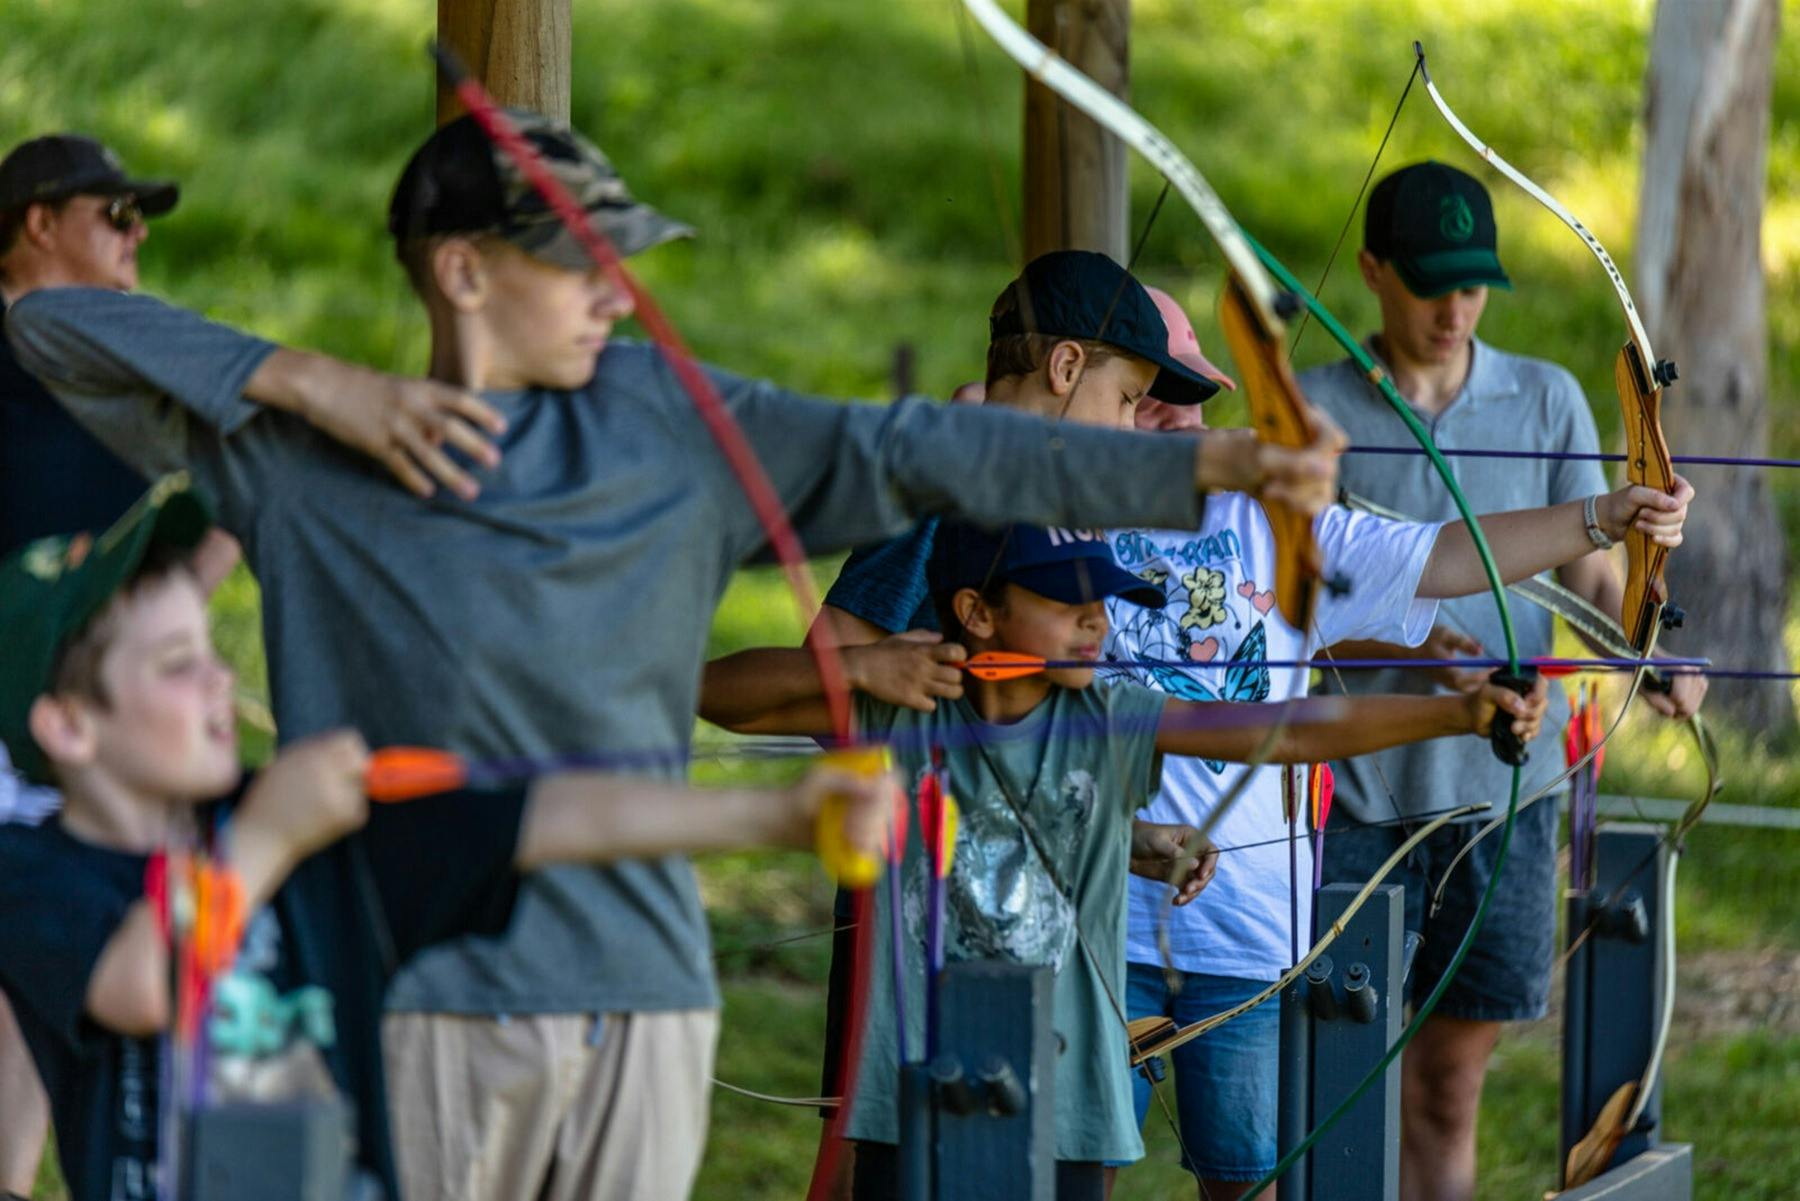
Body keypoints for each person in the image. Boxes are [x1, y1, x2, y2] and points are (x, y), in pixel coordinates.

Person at [3, 110, 1341, 1199]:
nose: (616, 291)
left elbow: (911, 449)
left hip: (646, 993)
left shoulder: (662, 419)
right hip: (420, 1001)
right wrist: (307, 380)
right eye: (581, 260)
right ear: (462, 271)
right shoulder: (301, 463)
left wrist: (1216, 463)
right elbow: (41, 323)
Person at [747, 259, 1691, 1201]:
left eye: (1189, 400)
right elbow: (824, 663)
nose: (1170, 421)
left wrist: (1604, 519)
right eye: (1144, 397)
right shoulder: (1031, 511)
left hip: (1236, 933)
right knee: (1019, 1169)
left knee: (1239, 1177)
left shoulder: (1262, 523)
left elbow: (1362, 642)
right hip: (1062, 934)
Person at [0, 475, 902, 1201]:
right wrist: (270, 832)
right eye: (175, 665)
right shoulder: (37, 873)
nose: (216, 679)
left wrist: (779, 815)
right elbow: (140, 988)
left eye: (208, 648)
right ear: (69, 728)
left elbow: (543, 817)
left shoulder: (295, 824)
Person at [700, 519, 1548, 1201]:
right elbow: (714, 691)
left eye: (1103, 600)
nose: (1097, 621)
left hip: (1066, 1103)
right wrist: (864, 665)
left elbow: (1283, 729)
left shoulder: (1107, 714)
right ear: (977, 611)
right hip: (919, 1089)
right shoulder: (909, 710)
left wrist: (1461, 713)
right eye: (1067, 601)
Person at [1300, 160, 1707, 1201]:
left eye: (1474, 284)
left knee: (1444, 1089)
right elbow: (1298, 603)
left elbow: (1594, 581)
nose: (1454, 309)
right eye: (1429, 280)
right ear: (1372, 270)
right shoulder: (1310, 414)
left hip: (1502, 789)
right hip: (1352, 792)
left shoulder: (1543, 398)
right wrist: (1420, 651)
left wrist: (1648, 647)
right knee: (1330, 1085)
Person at [0, 131, 232, 1196]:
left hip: (91, 726)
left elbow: (216, 503)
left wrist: (174, 622)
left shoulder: (130, 372)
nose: (139, 236)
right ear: (36, 225)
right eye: (115, 213)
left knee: (64, 960)